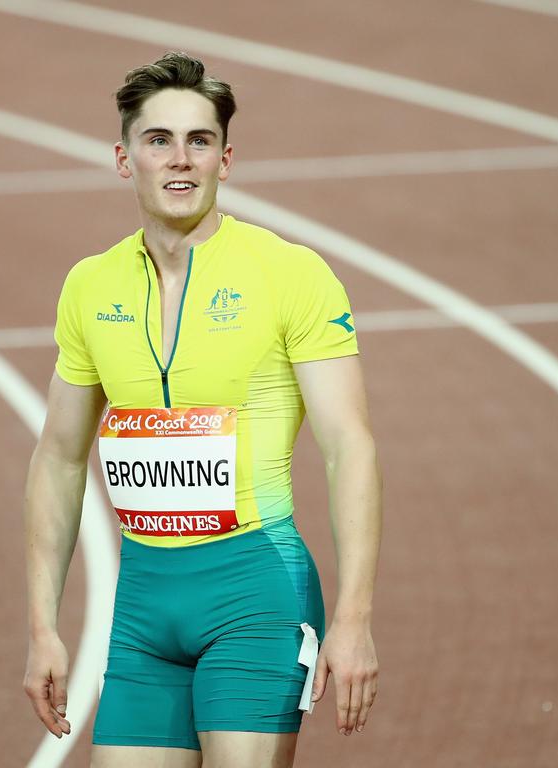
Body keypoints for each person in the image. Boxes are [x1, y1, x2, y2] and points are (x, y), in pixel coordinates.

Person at [22, 52, 382, 768]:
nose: (179, 159)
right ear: (125, 158)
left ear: (226, 158)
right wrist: (43, 626)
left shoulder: (291, 273)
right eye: (159, 141)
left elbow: (350, 447)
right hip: (144, 607)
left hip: (256, 594)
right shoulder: (89, 287)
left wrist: (354, 617)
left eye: (200, 141)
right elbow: (58, 457)